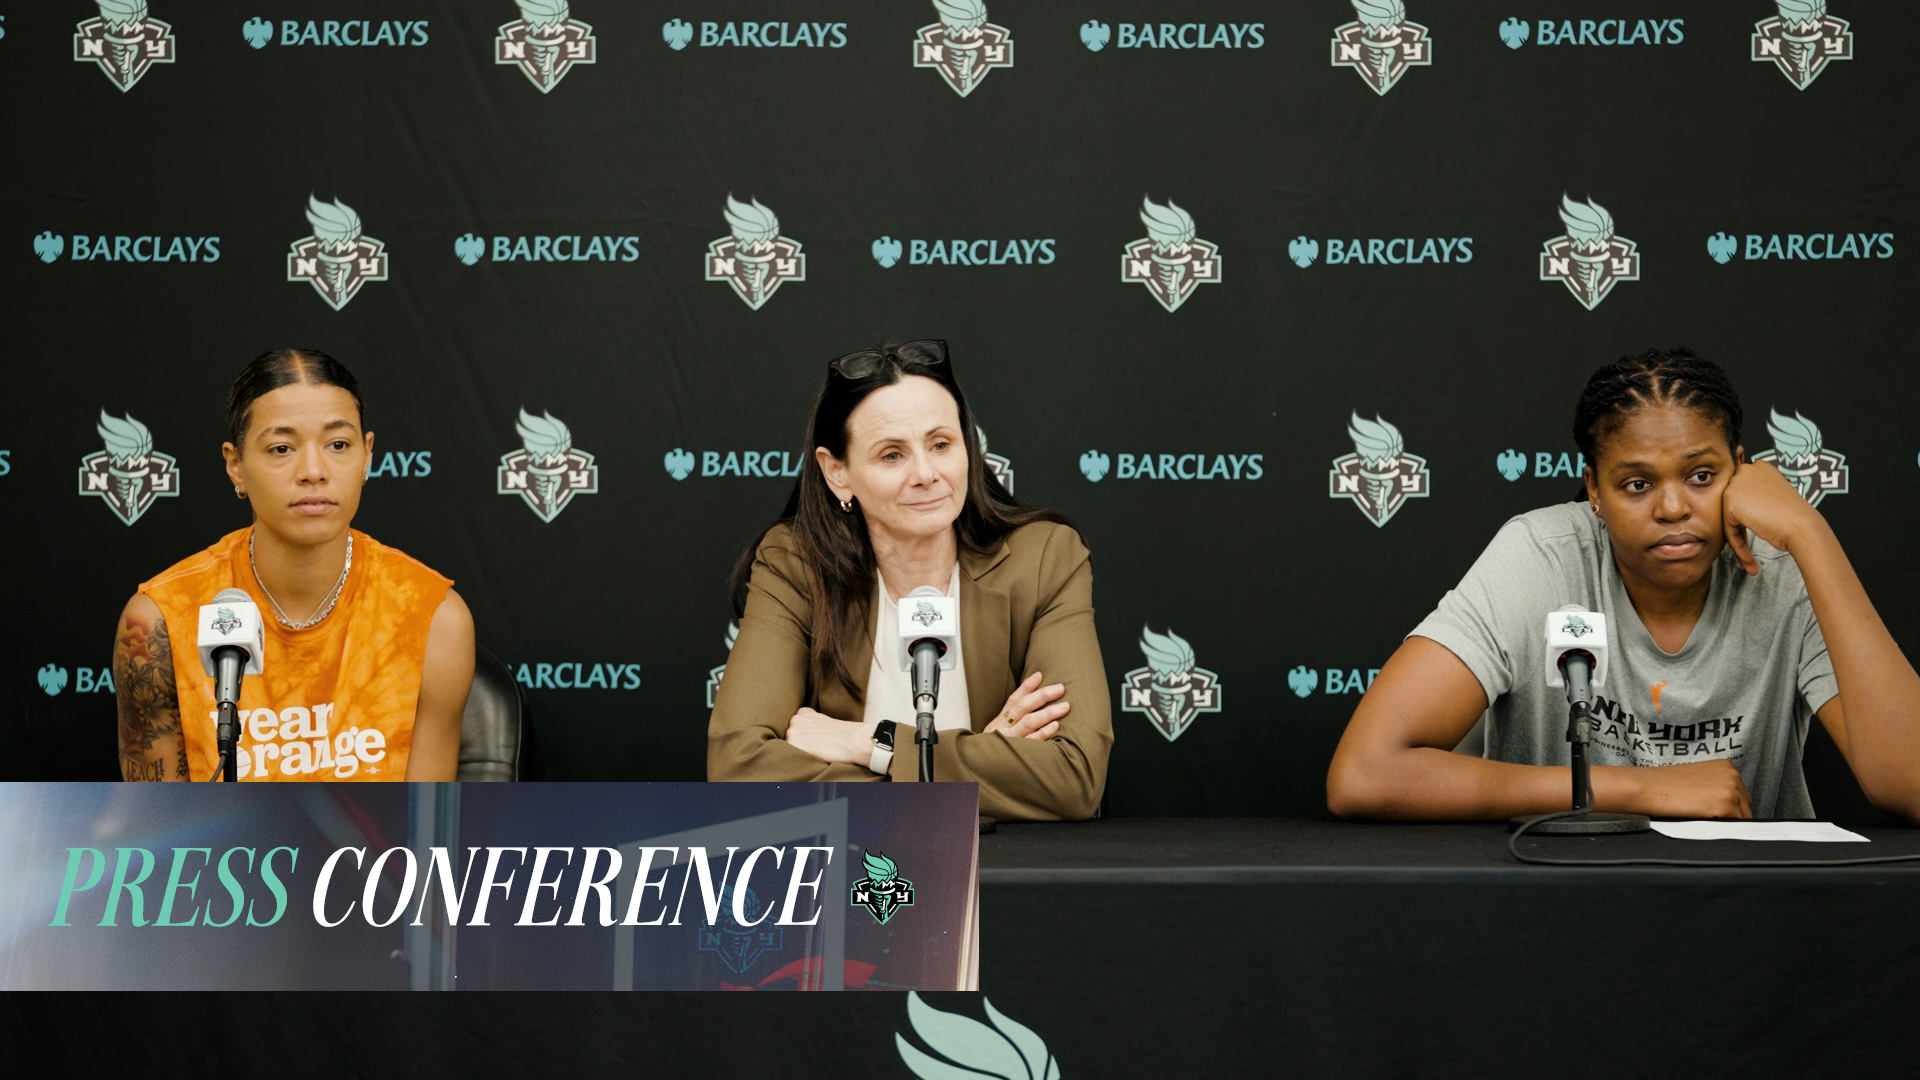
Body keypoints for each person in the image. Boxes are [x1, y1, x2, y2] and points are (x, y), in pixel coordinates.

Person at [1327, 347, 1920, 822]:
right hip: (1560, 904)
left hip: (1749, 915)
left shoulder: (1785, 566)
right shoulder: (1541, 557)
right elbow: (1365, 774)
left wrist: (1810, 533)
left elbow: (1911, 783)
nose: (1671, 507)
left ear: (1743, 471)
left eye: (1702, 476)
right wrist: (1639, 789)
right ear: (1594, 491)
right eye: (1636, 484)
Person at [707, 340, 1111, 820]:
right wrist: (979, 759)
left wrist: (872, 744)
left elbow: (1074, 775)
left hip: (1005, 872)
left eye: (941, 444)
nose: (926, 473)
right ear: (837, 472)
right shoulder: (796, 563)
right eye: (892, 455)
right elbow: (738, 769)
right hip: (850, 865)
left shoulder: (1043, 558)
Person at [113, 349, 473, 782]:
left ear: (368, 455)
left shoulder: (433, 617)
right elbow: (163, 834)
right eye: (281, 448)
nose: (314, 471)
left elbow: (425, 834)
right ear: (235, 466)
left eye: (338, 444)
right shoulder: (157, 625)